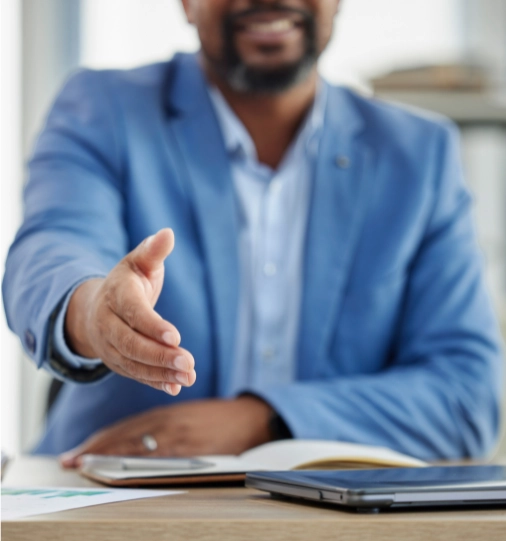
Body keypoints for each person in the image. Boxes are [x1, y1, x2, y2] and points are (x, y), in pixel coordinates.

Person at [2, 0, 503, 466]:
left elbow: (467, 393)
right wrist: (94, 312)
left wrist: (262, 421)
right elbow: (53, 246)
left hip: (334, 521)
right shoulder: (102, 109)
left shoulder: (419, 155)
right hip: (111, 506)